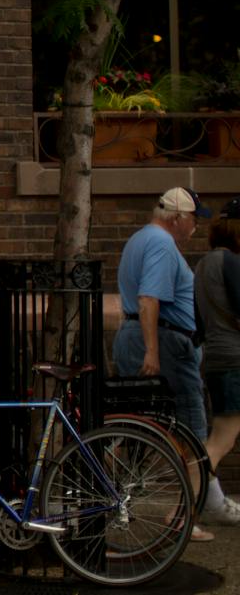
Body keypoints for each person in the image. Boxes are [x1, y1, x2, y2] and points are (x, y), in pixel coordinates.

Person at [113, 186, 214, 541]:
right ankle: (182, 518)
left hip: (135, 338)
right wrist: (153, 351)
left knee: (136, 430)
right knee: (194, 432)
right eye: (193, 221)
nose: (195, 229)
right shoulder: (160, 243)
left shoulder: (139, 239)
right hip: (165, 344)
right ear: (177, 218)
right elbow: (148, 299)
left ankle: (99, 495)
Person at [195, 195, 240, 528]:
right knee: (222, 439)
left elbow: (198, 322)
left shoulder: (204, 264)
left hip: (215, 356)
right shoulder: (232, 263)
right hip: (233, 359)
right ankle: (188, 500)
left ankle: (198, 499)